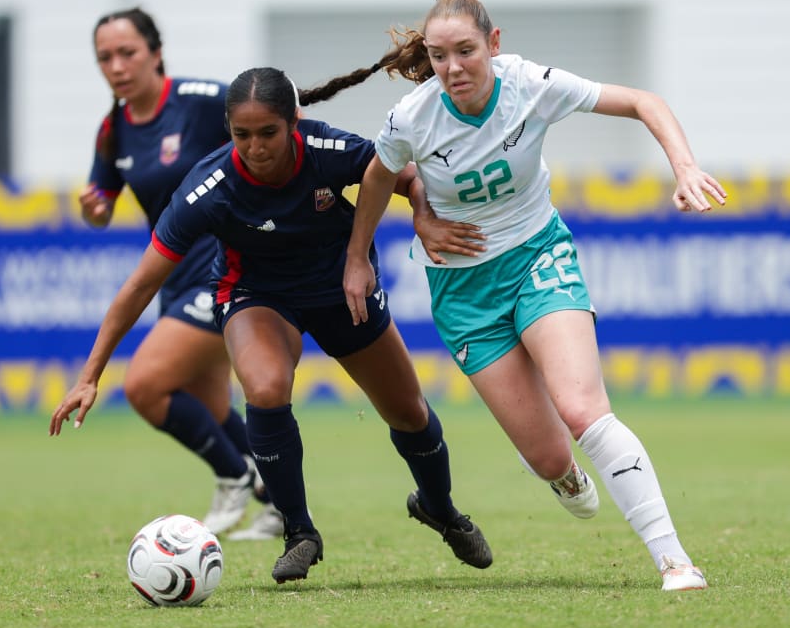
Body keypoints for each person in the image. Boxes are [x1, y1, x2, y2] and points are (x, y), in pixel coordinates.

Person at [343, 0, 727, 591]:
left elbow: (643, 101)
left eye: (466, 51)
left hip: (538, 256)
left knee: (582, 409)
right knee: (551, 459)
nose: (453, 68)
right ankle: (564, 473)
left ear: (494, 45)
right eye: (439, 56)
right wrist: (357, 258)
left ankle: (674, 560)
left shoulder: (531, 84)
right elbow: (377, 175)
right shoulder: (412, 116)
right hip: (463, 291)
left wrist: (683, 166)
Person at [50, 65, 493, 584]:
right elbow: (139, 286)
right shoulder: (208, 189)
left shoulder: (328, 150)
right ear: (228, 131)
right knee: (263, 387)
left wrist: (421, 214)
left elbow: (405, 173)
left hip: (340, 291)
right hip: (256, 296)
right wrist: (90, 375)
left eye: (268, 134)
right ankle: (299, 532)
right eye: (241, 135)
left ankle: (439, 507)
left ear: (293, 123)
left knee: (408, 412)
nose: (255, 148)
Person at [80, 7, 277, 540]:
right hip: (174, 278)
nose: (117, 66)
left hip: (225, 270)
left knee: (144, 386)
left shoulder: (198, 99)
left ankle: (234, 477)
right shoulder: (113, 129)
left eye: (128, 53)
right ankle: (279, 499)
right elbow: (100, 197)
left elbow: (271, 118)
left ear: (155, 53)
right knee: (212, 407)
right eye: (105, 57)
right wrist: (94, 207)